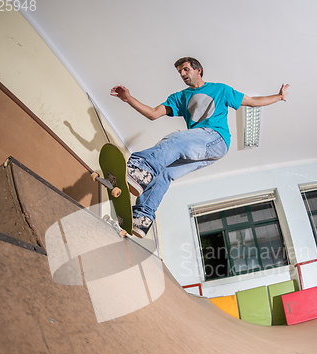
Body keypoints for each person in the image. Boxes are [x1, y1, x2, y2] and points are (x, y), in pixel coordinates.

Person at [111, 57, 289, 238]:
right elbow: (153, 114)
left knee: (175, 140)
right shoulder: (180, 97)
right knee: (165, 172)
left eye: (186, 69)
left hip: (216, 139)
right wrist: (129, 99)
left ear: (198, 70)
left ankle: (141, 170)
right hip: (201, 150)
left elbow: (252, 101)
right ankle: (143, 217)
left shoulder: (220, 89)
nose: (182, 74)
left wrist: (279, 96)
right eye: (180, 72)